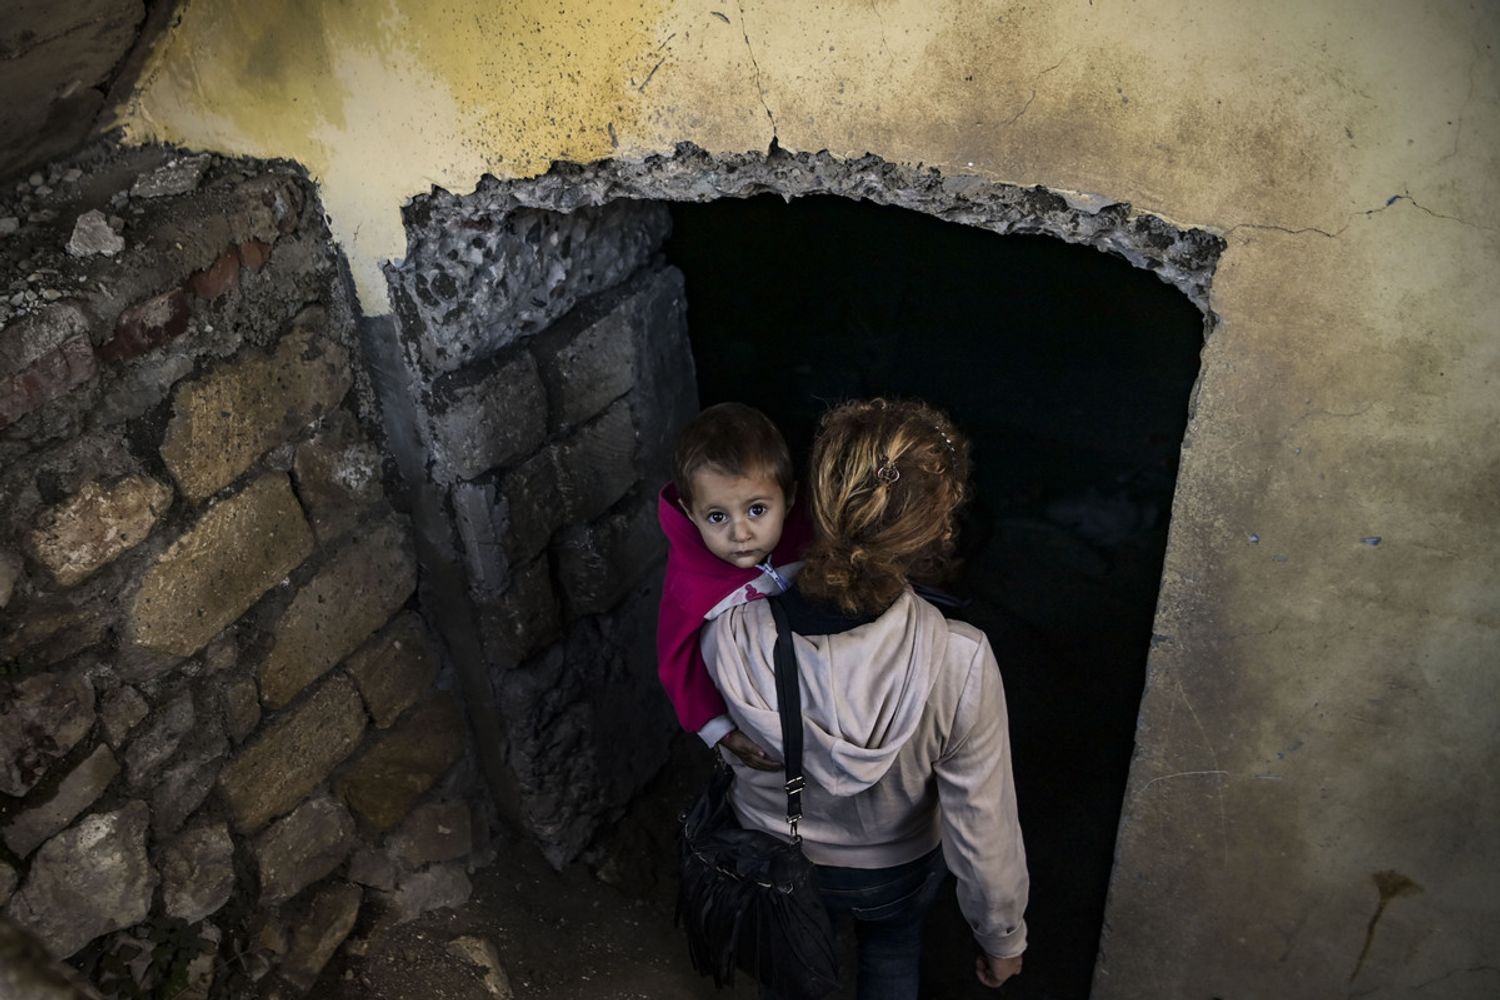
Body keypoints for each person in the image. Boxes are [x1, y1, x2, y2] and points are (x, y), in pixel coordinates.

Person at [701, 398, 1028, 998]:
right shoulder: (961, 660)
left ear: (806, 498)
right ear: (939, 526)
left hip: (776, 854)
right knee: (893, 954)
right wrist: (1001, 937)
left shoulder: (730, 633)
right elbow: (983, 825)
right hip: (895, 869)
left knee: (791, 972)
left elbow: (733, 748)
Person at [658, 402, 813, 769]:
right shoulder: (690, 582)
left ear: (789, 499)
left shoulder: (810, 537)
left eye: (757, 509)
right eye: (716, 517)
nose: (740, 534)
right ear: (690, 514)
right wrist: (721, 732)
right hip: (755, 725)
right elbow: (676, 661)